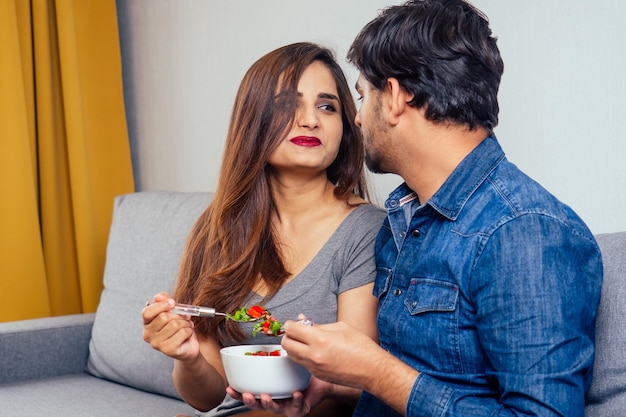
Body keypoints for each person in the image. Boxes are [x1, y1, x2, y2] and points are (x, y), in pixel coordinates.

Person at [232, 1, 604, 416]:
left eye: (362, 96)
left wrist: (376, 373)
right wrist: (341, 383)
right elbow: (416, 383)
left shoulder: (523, 231)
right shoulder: (405, 222)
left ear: (393, 97)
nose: (356, 120)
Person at [142, 42, 386, 416]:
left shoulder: (367, 231)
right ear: (253, 120)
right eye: (287, 104)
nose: (310, 120)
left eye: (327, 106)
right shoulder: (216, 230)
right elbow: (206, 398)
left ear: (345, 128)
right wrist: (187, 356)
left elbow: (352, 381)